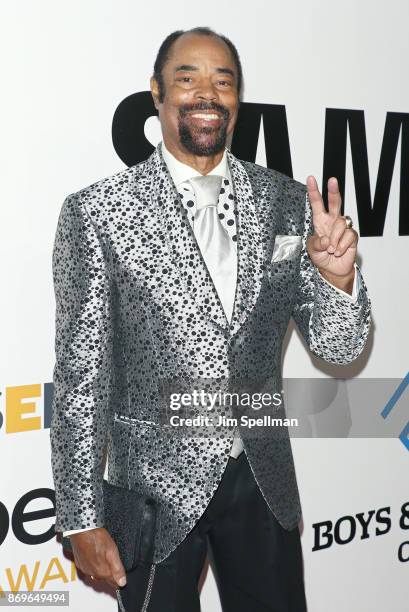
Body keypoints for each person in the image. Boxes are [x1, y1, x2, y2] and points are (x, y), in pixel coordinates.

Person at [50, 26, 372, 612]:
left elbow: (341, 347)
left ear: (237, 99)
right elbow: (81, 380)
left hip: (262, 479)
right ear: (157, 92)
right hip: (154, 488)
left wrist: (337, 278)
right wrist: (79, 515)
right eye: (187, 77)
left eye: (223, 80)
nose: (207, 92)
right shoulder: (98, 213)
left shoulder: (285, 201)